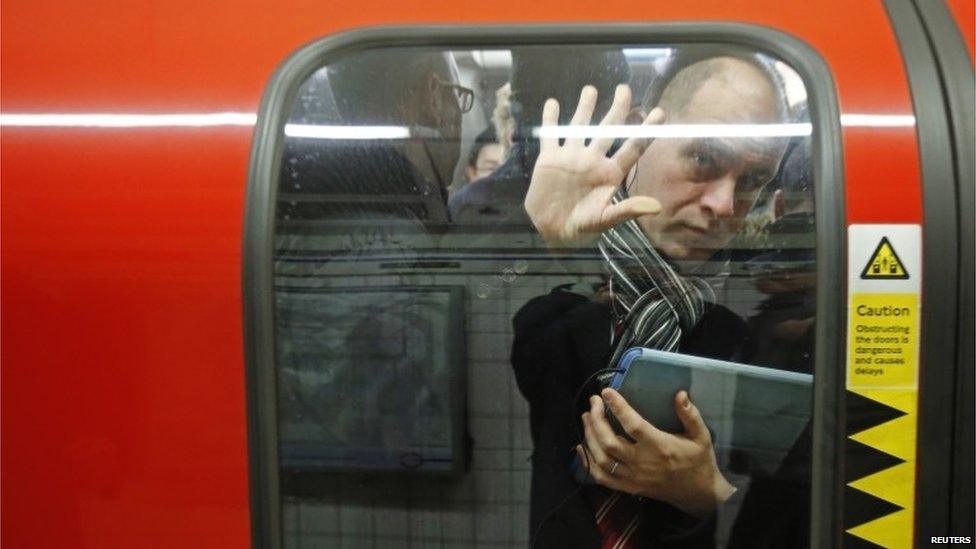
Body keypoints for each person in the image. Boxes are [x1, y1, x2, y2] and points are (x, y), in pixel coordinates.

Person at [512, 53, 800, 547]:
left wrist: (705, 496)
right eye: (704, 159)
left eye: (753, 180)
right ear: (640, 137)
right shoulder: (565, 277)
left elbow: (787, 499)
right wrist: (545, 248)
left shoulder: (760, 302)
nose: (725, 205)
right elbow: (477, 362)